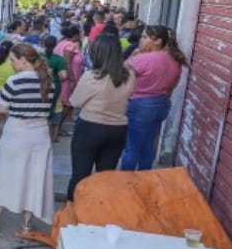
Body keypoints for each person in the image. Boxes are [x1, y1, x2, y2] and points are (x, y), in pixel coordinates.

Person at [0, 43, 55, 236]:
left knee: (6, 176)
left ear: (23, 60)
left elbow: (2, 109)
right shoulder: (48, 81)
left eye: (12, 60)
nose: (11, 63)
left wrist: (18, 110)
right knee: (34, 178)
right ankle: (27, 225)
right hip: (40, 135)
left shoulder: (14, 81)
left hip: (17, 134)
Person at [67, 34, 135, 200]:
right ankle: (99, 211)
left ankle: (74, 211)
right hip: (118, 129)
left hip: (90, 128)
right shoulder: (129, 75)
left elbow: (75, 102)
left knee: (80, 175)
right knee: (106, 178)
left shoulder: (92, 77)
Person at [119, 25, 187, 170]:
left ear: (158, 41)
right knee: (148, 146)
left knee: (132, 148)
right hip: (161, 103)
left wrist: (134, 55)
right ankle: (144, 180)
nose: (141, 40)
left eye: (145, 37)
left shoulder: (143, 58)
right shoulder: (175, 59)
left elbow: (121, 72)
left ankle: (125, 183)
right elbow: (173, 85)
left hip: (141, 104)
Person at [43, 35, 69, 141]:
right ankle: (54, 136)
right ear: (56, 45)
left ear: (43, 44)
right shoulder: (59, 59)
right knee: (57, 110)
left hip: (41, 87)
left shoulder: (38, 58)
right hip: (55, 87)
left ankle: (43, 135)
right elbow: (64, 76)